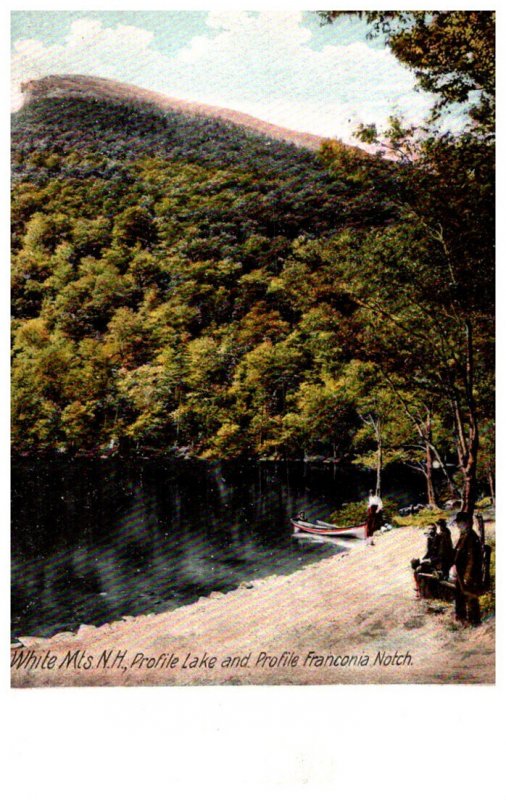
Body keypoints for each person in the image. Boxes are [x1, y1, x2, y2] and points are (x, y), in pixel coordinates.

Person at [450, 511, 483, 625]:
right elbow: (457, 553)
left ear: (468, 523)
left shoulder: (471, 537)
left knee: (470, 597)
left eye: (460, 523)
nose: (458, 525)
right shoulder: (464, 535)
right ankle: (461, 620)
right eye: (458, 523)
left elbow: (472, 559)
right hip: (460, 572)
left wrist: (467, 576)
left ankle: (474, 622)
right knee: (459, 596)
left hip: (468, 574)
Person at [411, 523, 440, 597]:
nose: (430, 531)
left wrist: (429, 560)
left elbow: (439, 554)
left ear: (435, 530)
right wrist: (423, 559)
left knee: (418, 569)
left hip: (436, 561)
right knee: (414, 562)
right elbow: (428, 552)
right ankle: (418, 585)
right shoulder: (429, 539)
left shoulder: (438, 539)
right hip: (430, 560)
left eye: (432, 529)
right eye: (429, 529)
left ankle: (419, 587)